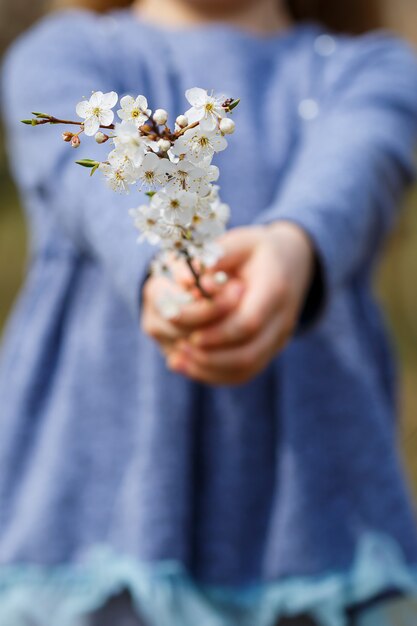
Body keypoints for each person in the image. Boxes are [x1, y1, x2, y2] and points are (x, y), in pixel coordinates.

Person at [1, 0, 417, 624]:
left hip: (307, 534)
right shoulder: (61, 55)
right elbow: (91, 185)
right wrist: (164, 268)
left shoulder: (372, 71)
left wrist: (293, 248)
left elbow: (355, 168)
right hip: (90, 529)